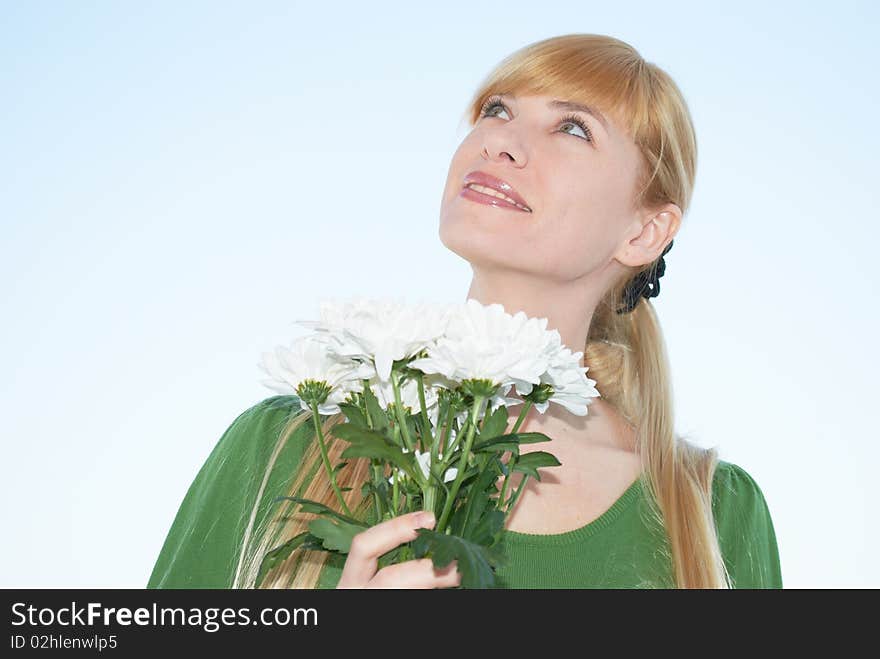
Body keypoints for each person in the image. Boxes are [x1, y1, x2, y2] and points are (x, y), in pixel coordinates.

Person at [147, 33, 782, 590]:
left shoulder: (715, 516)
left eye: (572, 127)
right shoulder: (286, 446)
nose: (500, 141)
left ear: (645, 233)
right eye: (496, 110)